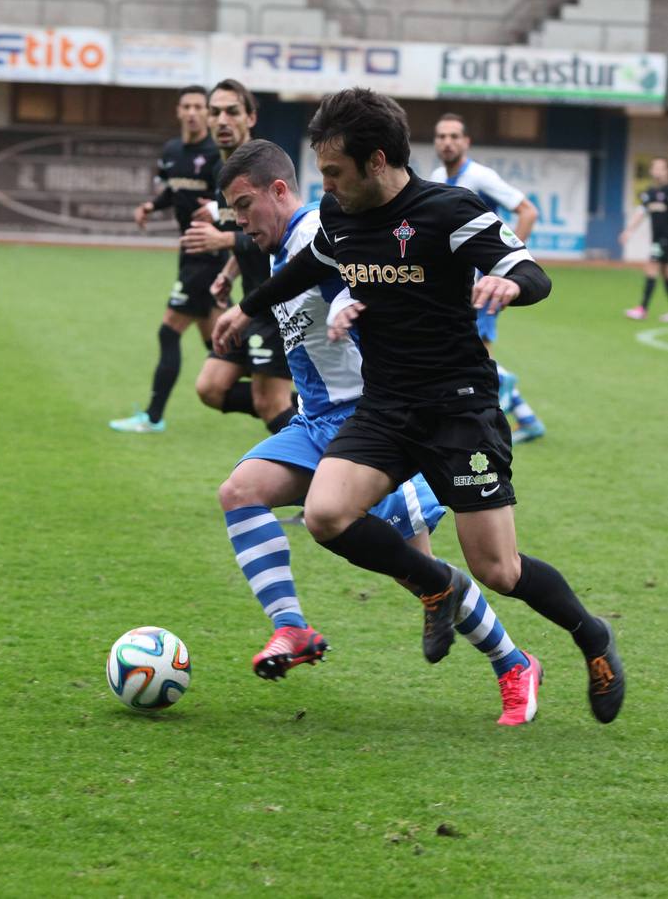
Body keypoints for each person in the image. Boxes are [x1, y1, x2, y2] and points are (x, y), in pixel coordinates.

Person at [214, 88, 625, 725]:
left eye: (333, 171)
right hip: (384, 410)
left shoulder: (447, 209)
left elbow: (533, 272)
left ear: (376, 161)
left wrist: (508, 281)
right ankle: (436, 585)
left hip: (460, 412)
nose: (325, 185)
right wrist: (249, 307)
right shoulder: (339, 216)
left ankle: (591, 635)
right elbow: (305, 269)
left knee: (499, 568)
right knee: (325, 513)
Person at [179, 79, 295, 435]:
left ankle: (322, 472)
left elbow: (279, 233)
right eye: (215, 112)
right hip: (250, 297)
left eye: (232, 111)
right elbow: (247, 232)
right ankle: (308, 412)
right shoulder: (224, 171)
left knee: (270, 403)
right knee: (211, 388)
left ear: (251, 117)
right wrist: (229, 273)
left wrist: (220, 239)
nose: (221, 120)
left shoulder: (263, 167)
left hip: (278, 298)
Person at [109, 85, 226, 433]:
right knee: (219, 342)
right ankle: (280, 396)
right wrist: (151, 206)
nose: (192, 112)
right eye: (186, 106)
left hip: (208, 252)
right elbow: (173, 192)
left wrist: (217, 210)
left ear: (206, 112)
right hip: (187, 251)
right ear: (178, 111)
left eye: (198, 106)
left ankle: (153, 417)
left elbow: (228, 201)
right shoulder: (173, 150)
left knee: (169, 330)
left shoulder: (217, 155)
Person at [430, 113, 545, 445]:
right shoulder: (437, 176)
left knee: (473, 353)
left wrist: (502, 268)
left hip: (480, 286)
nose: (447, 142)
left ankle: (500, 389)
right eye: (441, 136)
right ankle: (527, 418)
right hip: (450, 286)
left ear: (466, 142)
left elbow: (528, 210)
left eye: (454, 136)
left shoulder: (480, 176)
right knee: (463, 351)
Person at [619, 155, 668, 322]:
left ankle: (643, 309)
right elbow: (641, 212)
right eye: (654, 168)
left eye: (660, 168)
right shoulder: (650, 192)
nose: (656, 171)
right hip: (658, 239)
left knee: (652, 269)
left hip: (665, 239)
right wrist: (628, 231)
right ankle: (643, 308)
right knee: (663, 272)